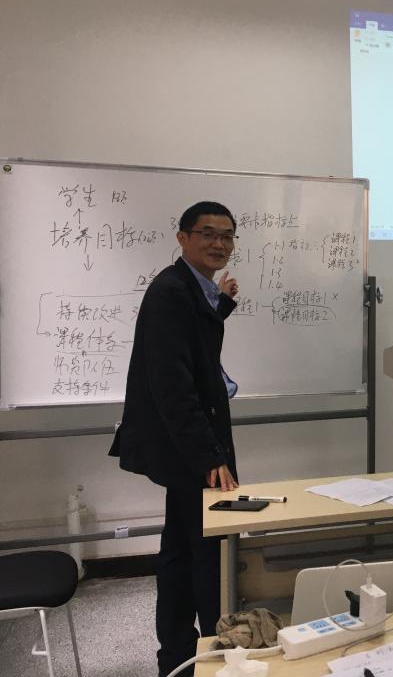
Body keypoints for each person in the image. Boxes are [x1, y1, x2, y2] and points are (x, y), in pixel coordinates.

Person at [109, 201, 241, 677]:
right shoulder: (171, 292)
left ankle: (180, 654)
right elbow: (173, 385)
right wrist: (209, 456)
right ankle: (209, 652)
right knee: (205, 552)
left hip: (186, 445)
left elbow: (195, 346)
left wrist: (220, 306)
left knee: (183, 549)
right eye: (208, 234)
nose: (218, 244)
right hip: (190, 449)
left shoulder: (190, 287)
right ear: (183, 237)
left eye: (227, 236)